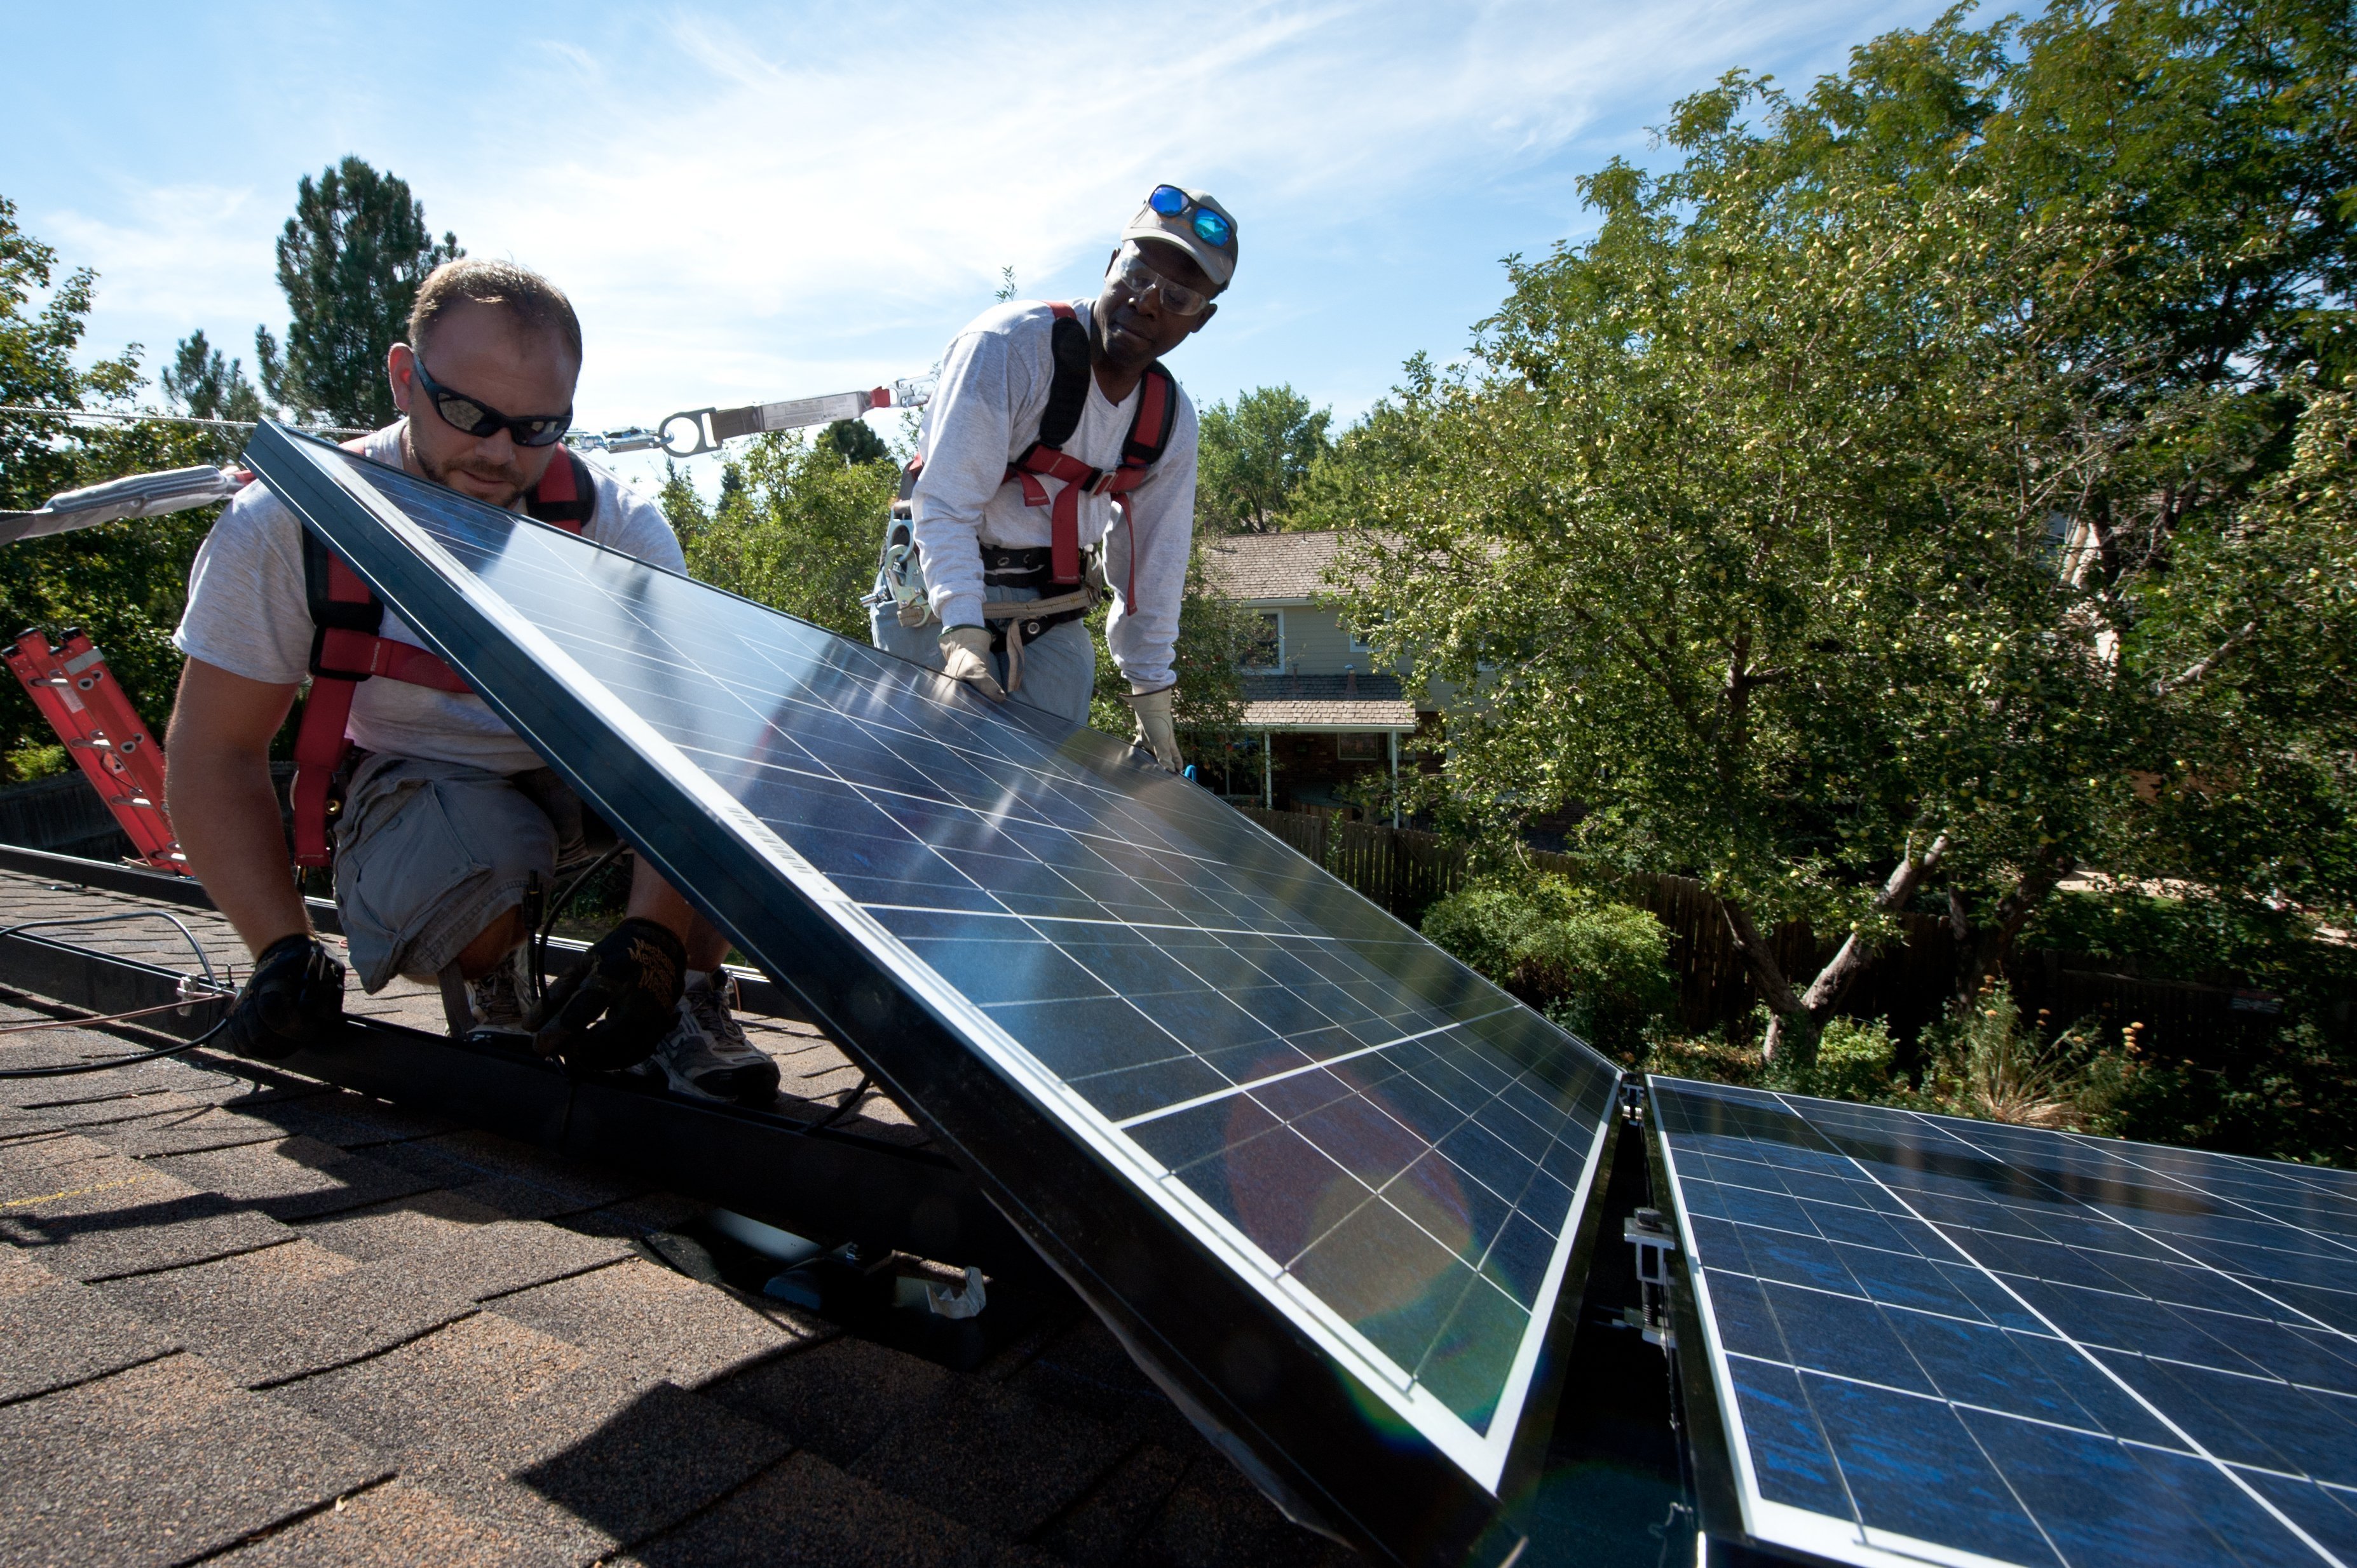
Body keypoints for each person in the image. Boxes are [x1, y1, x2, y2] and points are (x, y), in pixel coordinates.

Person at [165, 259, 778, 1105]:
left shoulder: (616, 526)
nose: (499, 454)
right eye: (469, 415)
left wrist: (654, 940)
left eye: (536, 427)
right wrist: (280, 947)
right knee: (486, 848)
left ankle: (685, 1000)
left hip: (600, 780)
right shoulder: (287, 528)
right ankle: (497, 978)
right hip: (428, 783)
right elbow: (215, 752)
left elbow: (699, 742)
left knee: (776, 760)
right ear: (403, 378)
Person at [869, 186, 1236, 766]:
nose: (1146, 302)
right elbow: (945, 502)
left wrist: (1151, 690)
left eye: (1178, 297)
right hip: (939, 593)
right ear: (1111, 264)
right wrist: (962, 629)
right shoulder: (1009, 347)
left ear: (1201, 320)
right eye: (1137, 274)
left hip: (1051, 611)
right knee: (929, 785)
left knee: (1038, 804)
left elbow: (1155, 567)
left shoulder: (1167, 420)